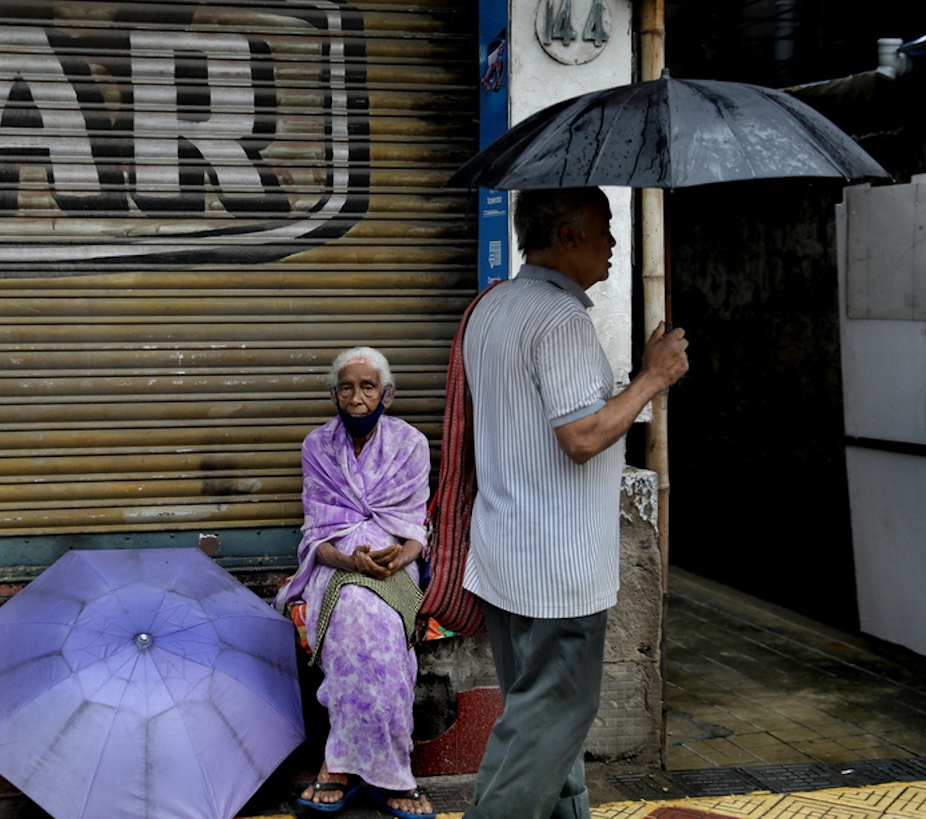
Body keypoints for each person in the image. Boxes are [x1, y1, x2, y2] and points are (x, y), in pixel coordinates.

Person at [461, 187, 690, 819]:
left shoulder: (493, 307)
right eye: (604, 230)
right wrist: (653, 376)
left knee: (538, 720)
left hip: (507, 556)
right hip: (558, 569)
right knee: (546, 723)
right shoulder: (561, 322)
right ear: (566, 236)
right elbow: (582, 437)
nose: (613, 244)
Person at [274, 347, 436, 819]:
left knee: (384, 639)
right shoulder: (316, 446)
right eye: (347, 387)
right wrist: (348, 560)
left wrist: (395, 557)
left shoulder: (410, 444)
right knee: (349, 625)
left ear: (388, 393)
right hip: (336, 564)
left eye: (368, 387)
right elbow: (316, 537)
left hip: (391, 564)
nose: (357, 397)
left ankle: (375, 768)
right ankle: (346, 765)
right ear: (333, 395)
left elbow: (413, 533)